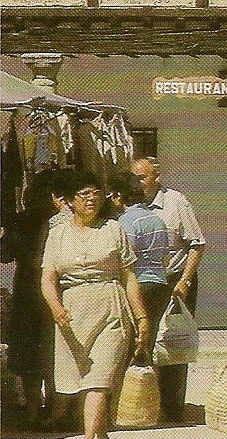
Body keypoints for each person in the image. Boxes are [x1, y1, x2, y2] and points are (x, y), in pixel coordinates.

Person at [39, 171, 150, 439]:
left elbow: (129, 276)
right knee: (82, 381)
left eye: (96, 193)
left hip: (111, 307)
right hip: (72, 313)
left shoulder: (114, 229)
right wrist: (55, 307)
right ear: (69, 201)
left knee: (99, 380)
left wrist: (142, 317)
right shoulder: (58, 235)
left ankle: (90, 437)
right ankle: (98, 435)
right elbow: (48, 278)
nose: (91, 199)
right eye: (84, 194)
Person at [131, 156, 205, 423]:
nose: (138, 183)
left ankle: (172, 408)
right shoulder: (128, 203)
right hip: (141, 281)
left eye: (142, 177)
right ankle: (140, 406)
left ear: (156, 178)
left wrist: (185, 280)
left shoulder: (176, 202)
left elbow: (197, 243)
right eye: (134, 178)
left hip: (175, 279)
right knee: (142, 340)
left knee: (173, 345)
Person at [0, 170, 62, 429]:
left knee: (28, 352)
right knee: (53, 350)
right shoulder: (61, 222)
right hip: (57, 289)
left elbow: (4, 255)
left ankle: (33, 410)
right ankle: (54, 409)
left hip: (27, 289)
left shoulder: (21, 220)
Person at [112, 173, 170, 365]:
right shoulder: (157, 220)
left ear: (119, 195)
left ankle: (132, 390)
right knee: (148, 341)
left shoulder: (126, 222)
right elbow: (164, 256)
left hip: (139, 285)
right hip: (160, 285)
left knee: (130, 345)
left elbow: (125, 258)